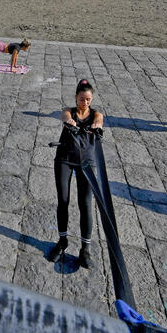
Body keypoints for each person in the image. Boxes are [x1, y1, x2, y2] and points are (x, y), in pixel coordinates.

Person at [48, 79, 104, 269]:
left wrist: (97, 127)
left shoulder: (97, 115)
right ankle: (62, 242)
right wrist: (69, 122)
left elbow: (99, 121)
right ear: (76, 98)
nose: (85, 103)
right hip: (64, 159)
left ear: (92, 99)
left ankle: (85, 248)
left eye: (88, 99)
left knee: (85, 204)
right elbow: (64, 116)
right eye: (81, 99)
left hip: (86, 163)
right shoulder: (68, 111)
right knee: (63, 201)